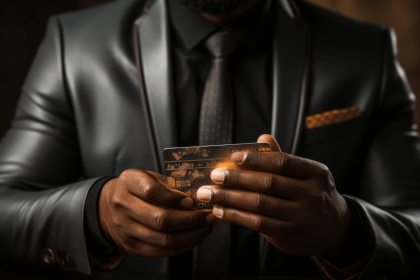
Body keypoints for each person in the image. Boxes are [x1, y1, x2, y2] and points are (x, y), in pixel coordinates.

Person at [0, 0, 419, 279]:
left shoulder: (368, 51)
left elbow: (412, 220)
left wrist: (346, 227)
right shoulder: (72, 45)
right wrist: (96, 215)